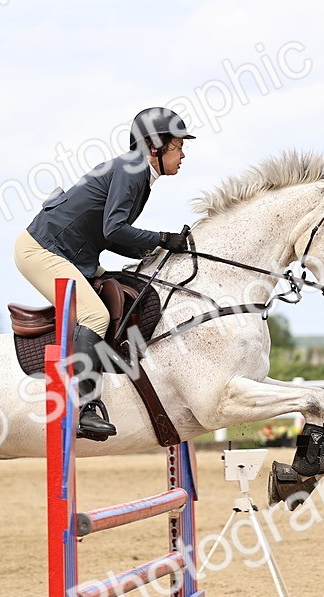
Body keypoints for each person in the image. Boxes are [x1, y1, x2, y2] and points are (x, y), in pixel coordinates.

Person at [15, 107, 195, 440]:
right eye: (178, 146)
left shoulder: (137, 173)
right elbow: (114, 229)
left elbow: (108, 234)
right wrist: (161, 239)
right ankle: (84, 410)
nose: (183, 154)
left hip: (73, 254)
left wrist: (152, 252)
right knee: (95, 315)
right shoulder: (131, 171)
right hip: (42, 251)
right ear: (155, 146)